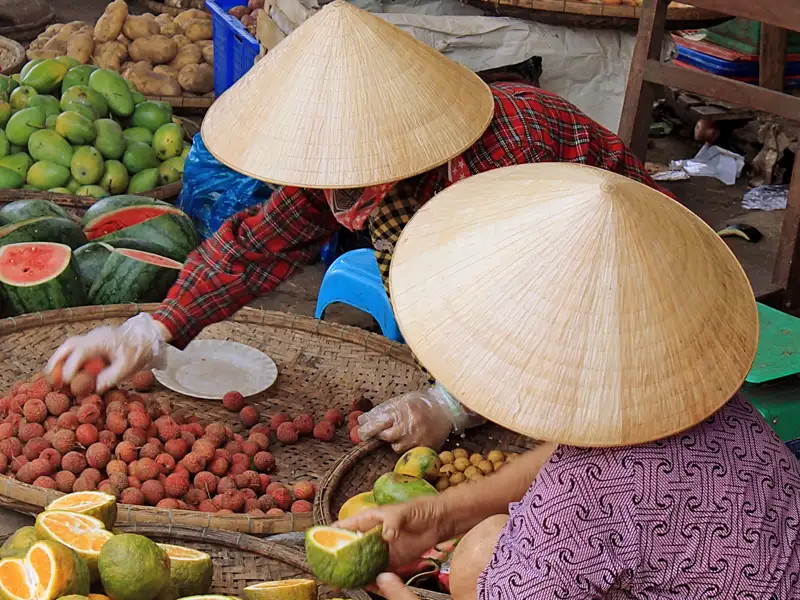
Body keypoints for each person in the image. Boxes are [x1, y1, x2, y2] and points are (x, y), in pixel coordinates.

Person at [47, 0, 670, 454]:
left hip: (615, 279)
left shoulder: (499, 159)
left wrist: (453, 406)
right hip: (520, 282)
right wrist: (153, 327)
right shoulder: (347, 165)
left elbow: (530, 308)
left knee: (576, 439)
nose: (335, 194)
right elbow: (256, 246)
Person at [338, 163, 800, 600]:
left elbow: (592, 488)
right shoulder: (696, 400)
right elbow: (586, 462)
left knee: (483, 556)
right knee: (481, 550)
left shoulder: (576, 503)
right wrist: (441, 515)